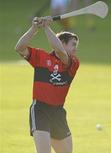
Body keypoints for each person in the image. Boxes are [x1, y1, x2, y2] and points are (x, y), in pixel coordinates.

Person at [15, 16, 80, 153]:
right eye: (73, 44)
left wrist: (46, 26)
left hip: (58, 112)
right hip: (40, 110)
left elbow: (60, 52)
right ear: (62, 42)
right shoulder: (41, 57)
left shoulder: (73, 63)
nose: (76, 49)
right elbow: (19, 47)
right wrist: (34, 29)